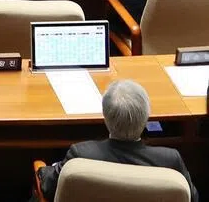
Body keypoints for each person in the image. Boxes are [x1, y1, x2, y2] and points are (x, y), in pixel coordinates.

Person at [37, 80, 198, 201]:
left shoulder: (80, 155)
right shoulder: (170, 160)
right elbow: (192, 197)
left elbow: (48, 186)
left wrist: (44, 169)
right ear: (146, 117)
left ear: (105, 116)